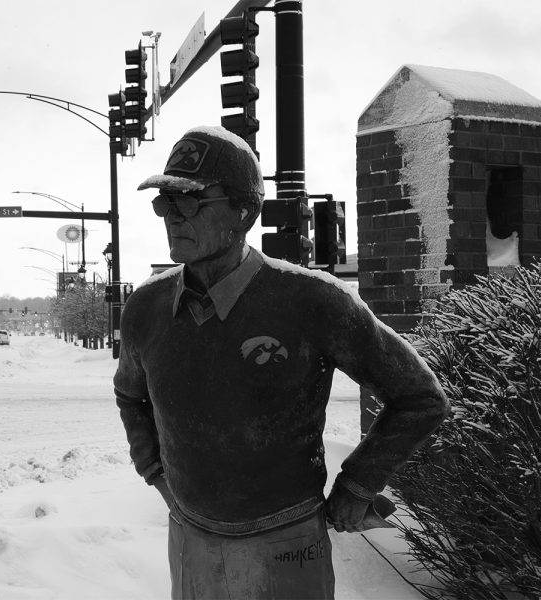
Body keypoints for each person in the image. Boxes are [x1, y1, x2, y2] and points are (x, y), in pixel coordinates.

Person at [113, 126, 449, 599]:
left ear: (243, 212)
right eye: (165, 202)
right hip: (190, 538)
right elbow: (129, 394)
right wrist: (154, 472)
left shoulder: (312, 301)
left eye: (188, 201)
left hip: (288, 543)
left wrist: (357, 485)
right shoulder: (145, 308)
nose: (171, 217)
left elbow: (419, 397)